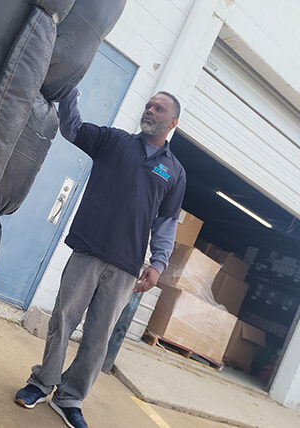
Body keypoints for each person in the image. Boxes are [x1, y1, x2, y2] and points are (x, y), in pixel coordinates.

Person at [15, 88, 186, 428]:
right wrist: (69, 98)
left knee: (99, 336)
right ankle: (42, 382)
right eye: (149, 104)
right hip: (89, 250)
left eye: (159, 108)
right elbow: (73, 130)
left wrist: (159, 263)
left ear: (173, 122)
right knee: (63, 320)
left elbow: (165, 223)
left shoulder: (174, 172)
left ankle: (70, 397)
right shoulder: (114, 142)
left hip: (126, 265)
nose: (150, 109)